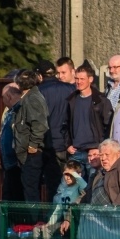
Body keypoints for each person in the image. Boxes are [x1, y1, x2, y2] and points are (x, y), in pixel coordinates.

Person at [65, 65, 114, 177]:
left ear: (90, 79)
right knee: (75, 188)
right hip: (76, 151)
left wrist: (101, 146)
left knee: (93, 185)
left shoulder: (101, 101)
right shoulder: (71, 100)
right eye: (77, 79)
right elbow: (65, 124)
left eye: (82, 79)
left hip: (94, 151)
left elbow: (108, 125)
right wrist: (68, 144)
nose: (78, 82)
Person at [37, 58, 76, 197]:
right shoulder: (71, 89)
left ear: (40, 76)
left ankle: (53, 215)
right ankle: (68, 217)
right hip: (67, 143)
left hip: (49, 145)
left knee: (53, 185)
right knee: (71, 184)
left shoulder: (38, 91)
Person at [14, 70, 50, 205]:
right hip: (28, 152)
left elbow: (39, 124)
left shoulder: (32, 98)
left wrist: (33, 145)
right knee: (28, 188)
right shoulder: (29, 96)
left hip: (33, 154)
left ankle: (33, 221)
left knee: (31, 190)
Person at [0, 83, 25, 203]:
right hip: (9, 162)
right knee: (8, 194)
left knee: (15, 196)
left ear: (9, 96)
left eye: (3, 97)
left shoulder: (20, 110)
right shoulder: (10, 111)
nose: (3, 101)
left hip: (16, 162)